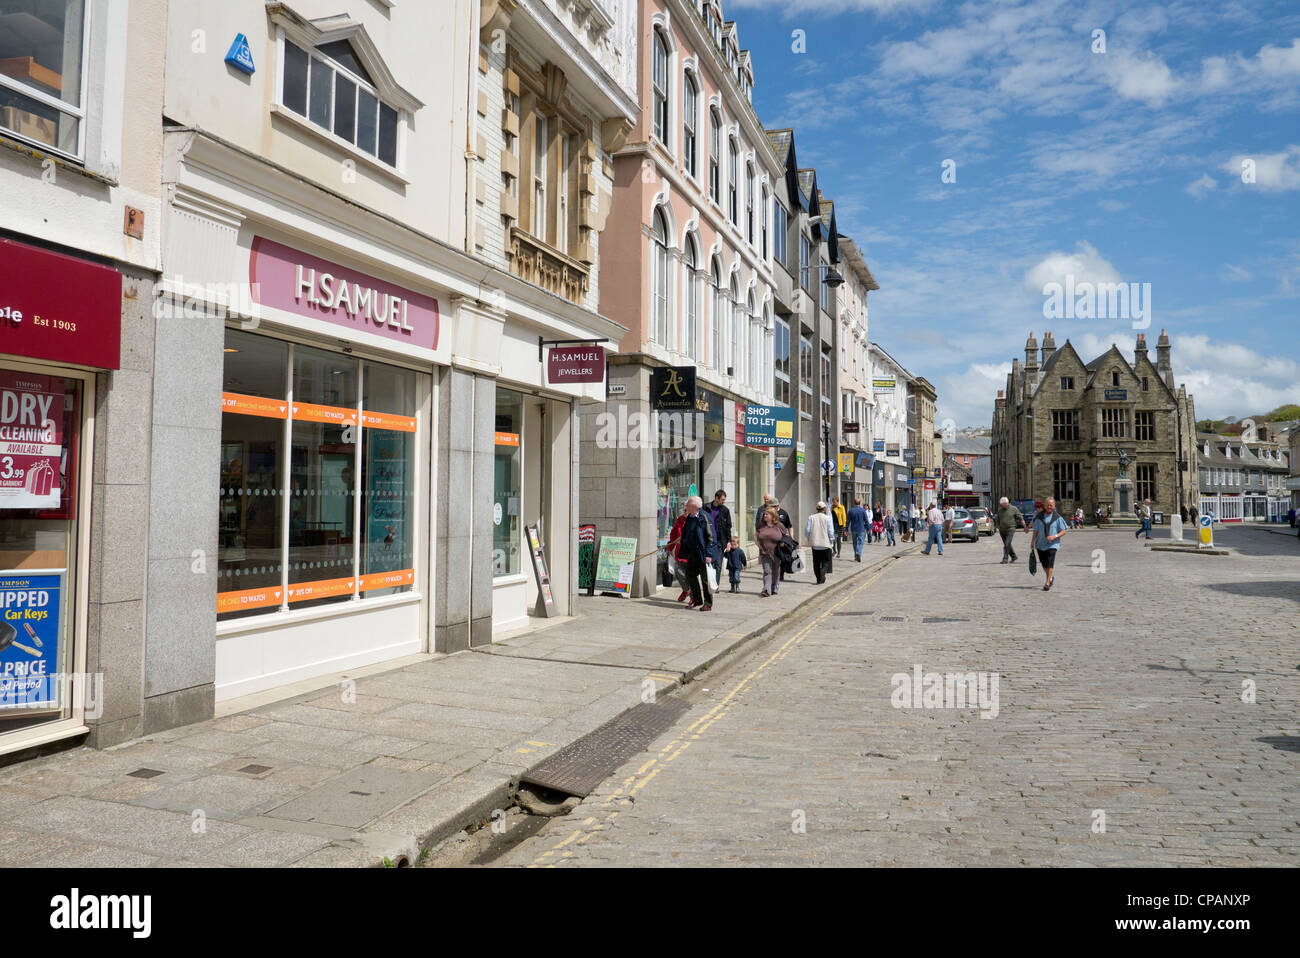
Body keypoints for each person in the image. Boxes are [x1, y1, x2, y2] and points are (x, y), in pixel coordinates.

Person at [679, 495, 714, 611]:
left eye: (687, 504)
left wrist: (709, 554)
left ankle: (708, 603)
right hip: (692, 552)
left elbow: (711, 537)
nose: (686, 506)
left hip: (703, 553)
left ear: (693, 506)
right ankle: (697, 600)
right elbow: (687, 533)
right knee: (690, 575)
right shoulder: (690, 517)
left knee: (705, 579)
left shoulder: (704, 517)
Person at [1030, 496, 1069, 592]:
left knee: (1050, 562)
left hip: (1052, 544)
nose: (1049, 507)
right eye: (1047, 505)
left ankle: (1047, 583)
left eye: (1051, 505)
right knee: (1044, 563)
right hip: (1040, 544)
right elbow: (1035, 530)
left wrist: (1054, 536)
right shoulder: (1039, 517)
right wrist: (1032, 541)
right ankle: (1050, 578)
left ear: (1054, 506)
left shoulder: (1057, 518)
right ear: (1044, 505)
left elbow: (1064, 531)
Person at [756, 507, 785, 597]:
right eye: (764, 514)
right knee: (767, 571)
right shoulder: (761, 525)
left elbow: (785, 536)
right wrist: (760, 547)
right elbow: (756, 538)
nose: (765, 515)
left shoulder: (779, 525)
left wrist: (783, 544)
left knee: (775, 571)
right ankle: (766, 589)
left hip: (777, 552)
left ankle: (774, 587)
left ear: (773, 516)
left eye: (767, 514)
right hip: (764, 552)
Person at [805, 502, 835, 584]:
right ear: (824, 509)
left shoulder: (811, 517)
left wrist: (808, 538)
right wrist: (831, 540)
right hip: (825, 544)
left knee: (816, 562)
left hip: (815, 544)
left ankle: (818, 579)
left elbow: (807, 530)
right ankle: (823, 571)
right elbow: (830, 531)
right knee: (826, 561)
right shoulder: (827, 518)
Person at [705, 489, 733, 577]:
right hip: (708, 541)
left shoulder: (725, 510)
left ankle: (715, 586)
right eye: (722, 500)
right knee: (709, 563)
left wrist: (728, 541)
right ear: (717, 498)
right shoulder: (706, 508)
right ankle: (710, 584)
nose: (724, 502)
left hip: (720, 541)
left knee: (718, 564)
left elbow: (728, 527)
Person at [667, 508, 692, 603]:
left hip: (690, 552)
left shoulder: (695, 520)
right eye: (684, 509)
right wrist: (670, 547)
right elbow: (673, 535)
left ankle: (692, 595)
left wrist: (685, 539)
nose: (684, 511)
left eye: (686, 509)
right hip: (680, 552)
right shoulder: (680, 520)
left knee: (689, 575)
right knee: (679, 573)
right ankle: (686, 590)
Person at [995, 496, 1025, 564]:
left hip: (1011, 528)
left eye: (1004, 504)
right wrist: (998, 526)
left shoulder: (1013, 509)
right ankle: (1014, 556)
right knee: (1007, 544)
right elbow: (997, 519)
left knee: (1007, 543)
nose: (1003, 505)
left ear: (1007, 503)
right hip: (1002, 530)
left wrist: (1024, 526)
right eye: (1002, 504)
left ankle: (1005, 559)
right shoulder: (1000, 510)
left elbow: (1020, 517)